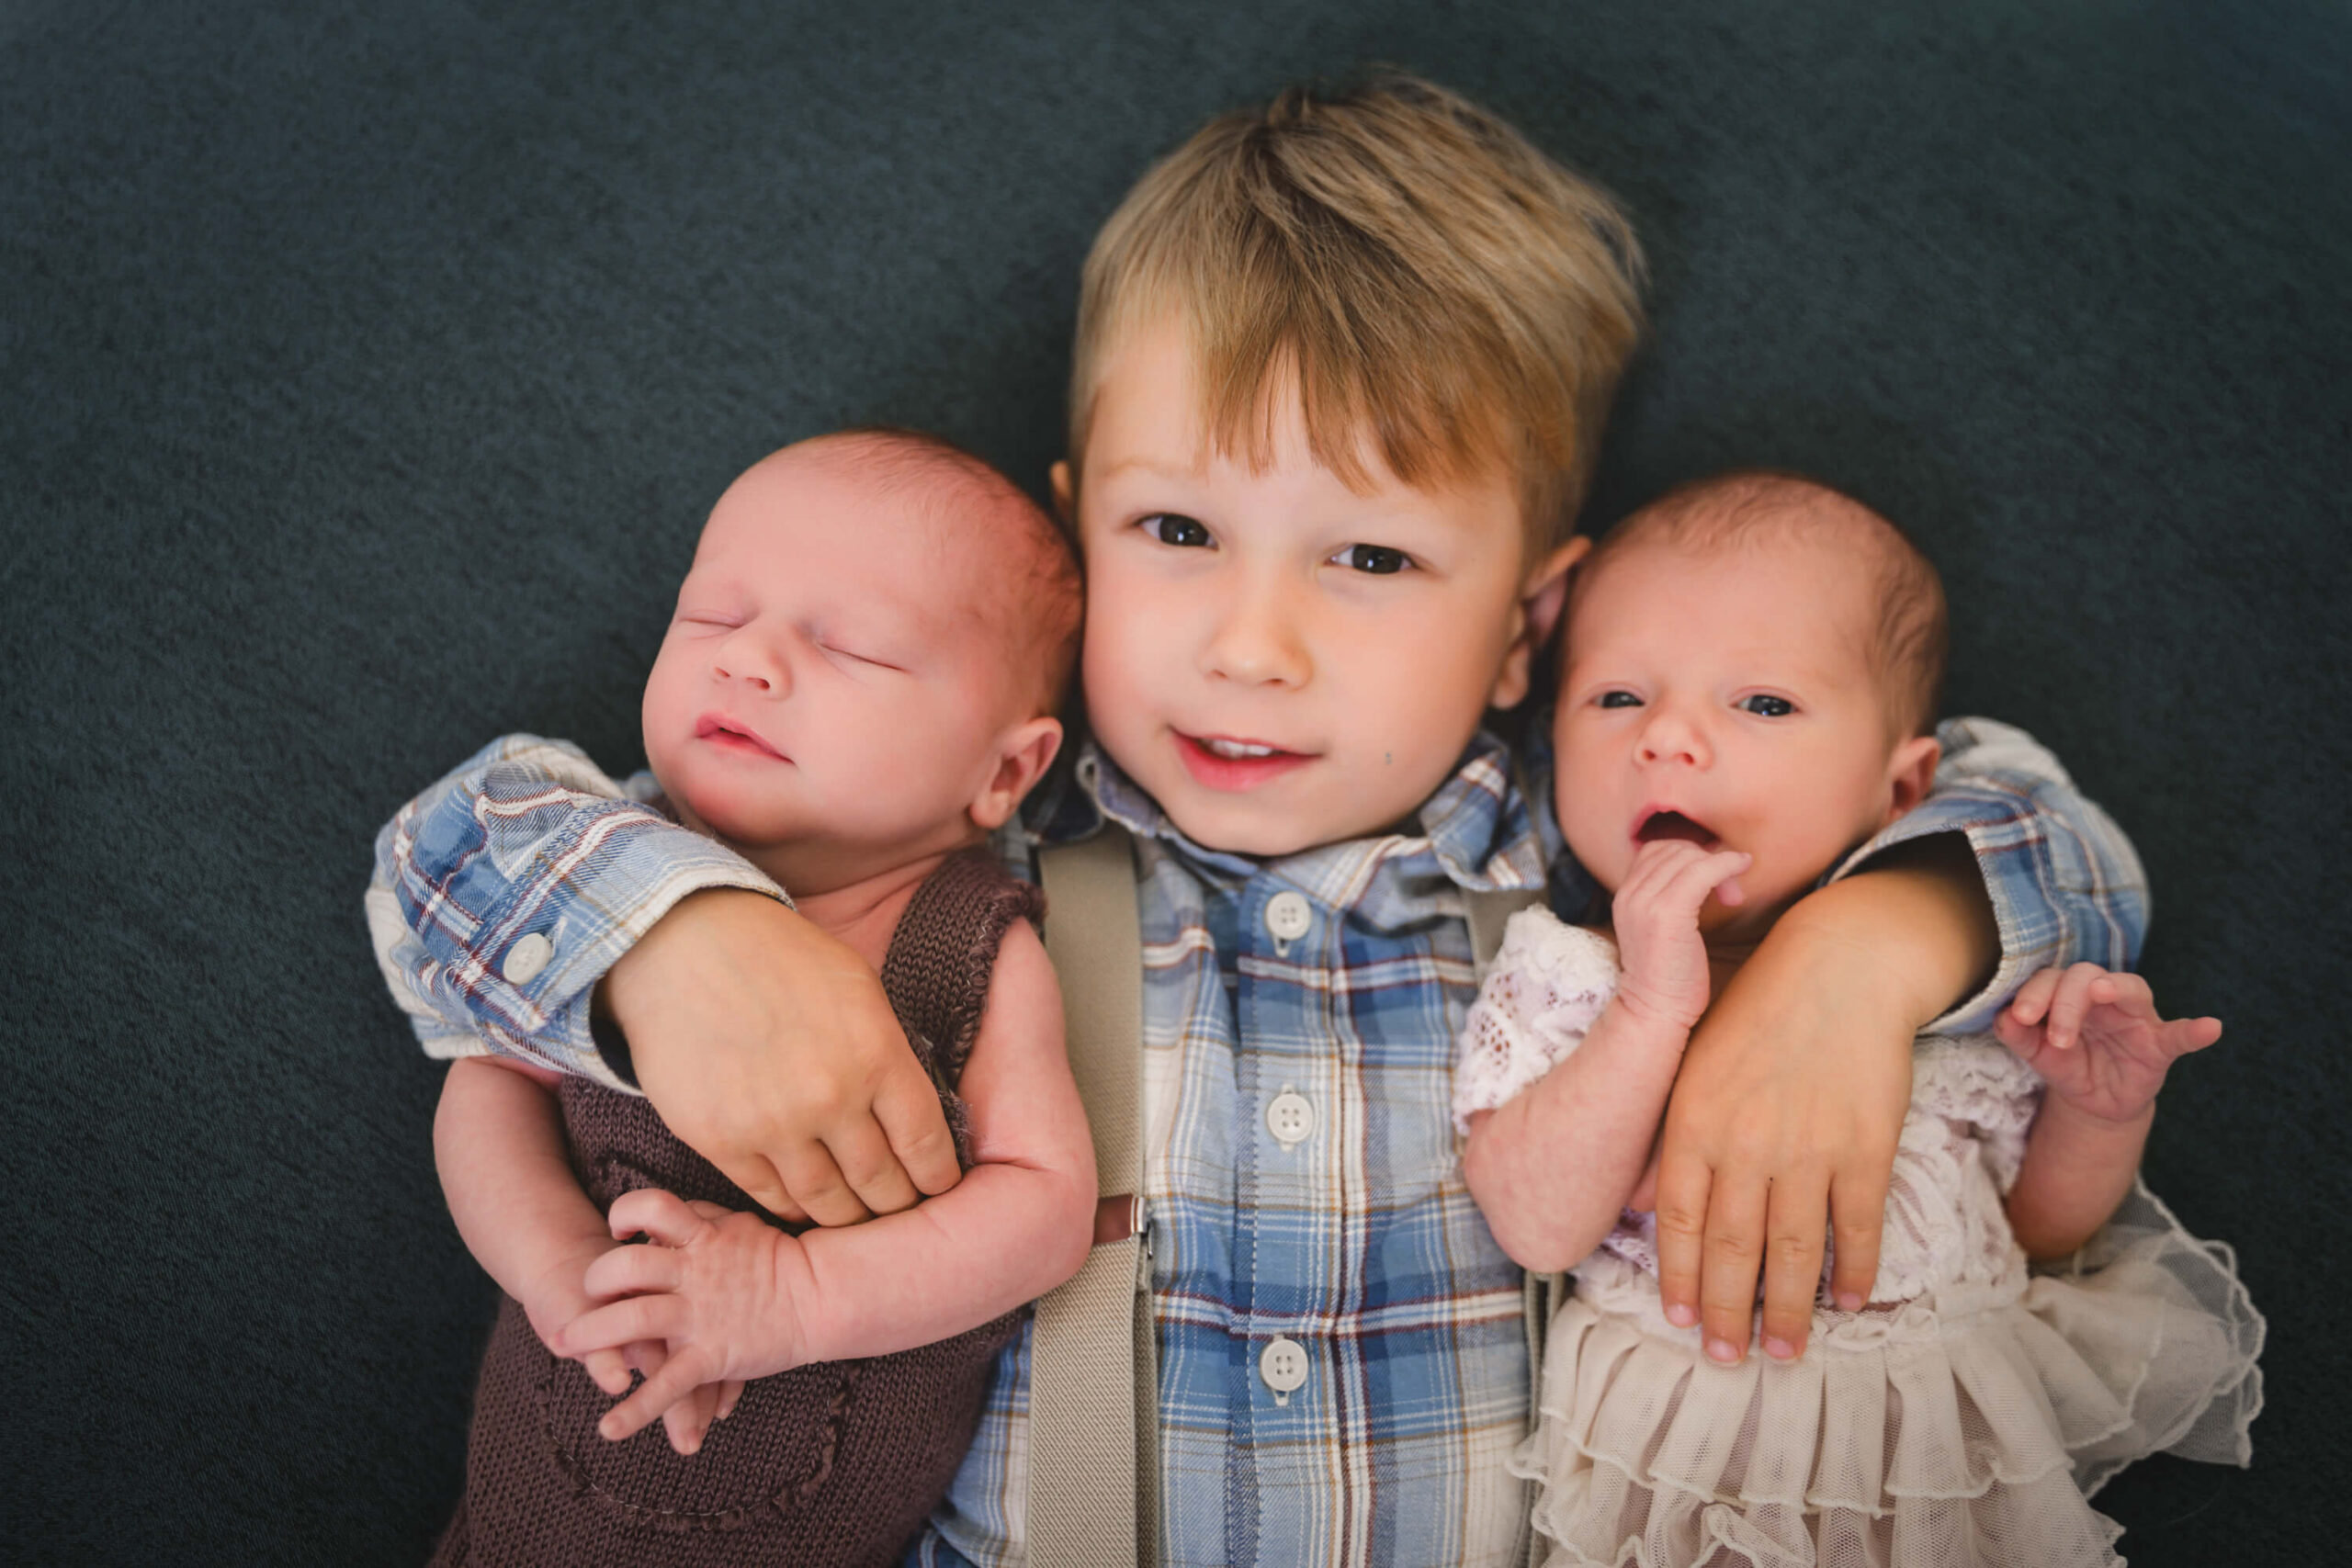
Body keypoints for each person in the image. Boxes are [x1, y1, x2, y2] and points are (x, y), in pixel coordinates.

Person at [368, 77, 2152, 1566]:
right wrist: (678, 941)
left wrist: (1852, 955)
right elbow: (451, 846)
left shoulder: (1603, 833)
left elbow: (2048, 840)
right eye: (1175, 532)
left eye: (1368, 557)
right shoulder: (951, 814)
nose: (1250, 643)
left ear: (1527, 623)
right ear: (1074, 541)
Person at [1458, 473, 2263, 1567]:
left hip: (1944, 1464)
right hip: (1681, 1473)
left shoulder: (1952, 1006)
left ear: (1903, 793)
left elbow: (2038, 1233)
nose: (1670, 740)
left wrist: (2099, 1111)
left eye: (1764, 704)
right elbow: (1539, 1225)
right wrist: (1650, 1008)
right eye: (1615, 699)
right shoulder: (1570, 977)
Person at [387, 429, 1097, 1566]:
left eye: (849, 646)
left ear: (1004, 772)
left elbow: (1045, 1205)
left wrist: (795, 1295)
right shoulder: (601, 865)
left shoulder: (976, 943)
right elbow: (486, 1089)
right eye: (712, 617)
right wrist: (560, 1269)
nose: (748, 661)